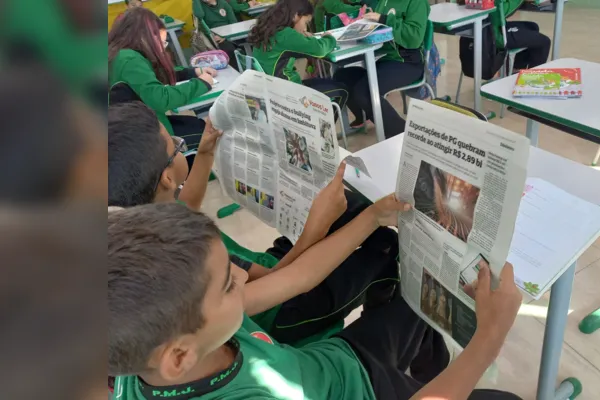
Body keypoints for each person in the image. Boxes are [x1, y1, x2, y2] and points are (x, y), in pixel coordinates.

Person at [108, 204, 524, 400]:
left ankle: (428, 367)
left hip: (339, 361)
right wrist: (489, 336)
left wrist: (371, 219)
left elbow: (296, 278)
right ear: (179, 357)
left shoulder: (163, 339)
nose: (241, 274)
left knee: (417, 301)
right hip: (366, 392)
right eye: (227, 285)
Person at [107, 102, 400, 346]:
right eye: (177, 146)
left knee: (350, 212)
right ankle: (382, 334)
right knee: (387, 250)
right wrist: (319, 228)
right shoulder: (186, 263)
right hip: (280, 310)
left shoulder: (142, 228)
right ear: (167, 178)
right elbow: (287, 278)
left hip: (266, 272)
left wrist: (206, 152)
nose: (183, 147)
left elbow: (186, 203)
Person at [109, 7, 218, 150]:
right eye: (162, 43)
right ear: (144, 37)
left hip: (135, 126)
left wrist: (192, 72)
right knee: (209, 134)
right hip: (144, 138)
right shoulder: (130, 60)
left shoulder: (121, 53)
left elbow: (154, 75)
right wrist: (202, 83)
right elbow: (160, 99)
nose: (162, 48)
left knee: (197, 124)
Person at [333, 0, 429, 137]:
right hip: (382, 60)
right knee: (342, 77)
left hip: (407, 63)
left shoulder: (416, 3)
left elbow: (414, 37)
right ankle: (365, 114)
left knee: (365, 91)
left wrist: (384, 19)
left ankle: (403, 134)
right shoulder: (383, 1)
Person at [249, 0, 349, 117]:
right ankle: (321, 133)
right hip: (289, 93)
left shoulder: (269, 30)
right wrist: (329, 38)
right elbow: (320, 50)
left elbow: (290, 49)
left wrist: (304, 40)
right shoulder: (286, 34)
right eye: (306, 22)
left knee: (326, 84)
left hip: (273, 90)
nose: (305, 28)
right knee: (342, 90)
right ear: (296, 16)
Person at [491, 0, 551, 71]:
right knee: (544, 42)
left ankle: (516, 69)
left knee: (532, 27)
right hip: (497, 35)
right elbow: (502, 9)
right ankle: (533, 77)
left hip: (496, 26)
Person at [193, 0, 243, 69]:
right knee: (228, 49)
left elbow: (233, 22)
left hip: (229, 35)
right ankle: (236, 73)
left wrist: (225, 36)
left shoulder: (223, 3)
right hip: (214, 39)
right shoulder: (200, 6)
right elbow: (199, 15)